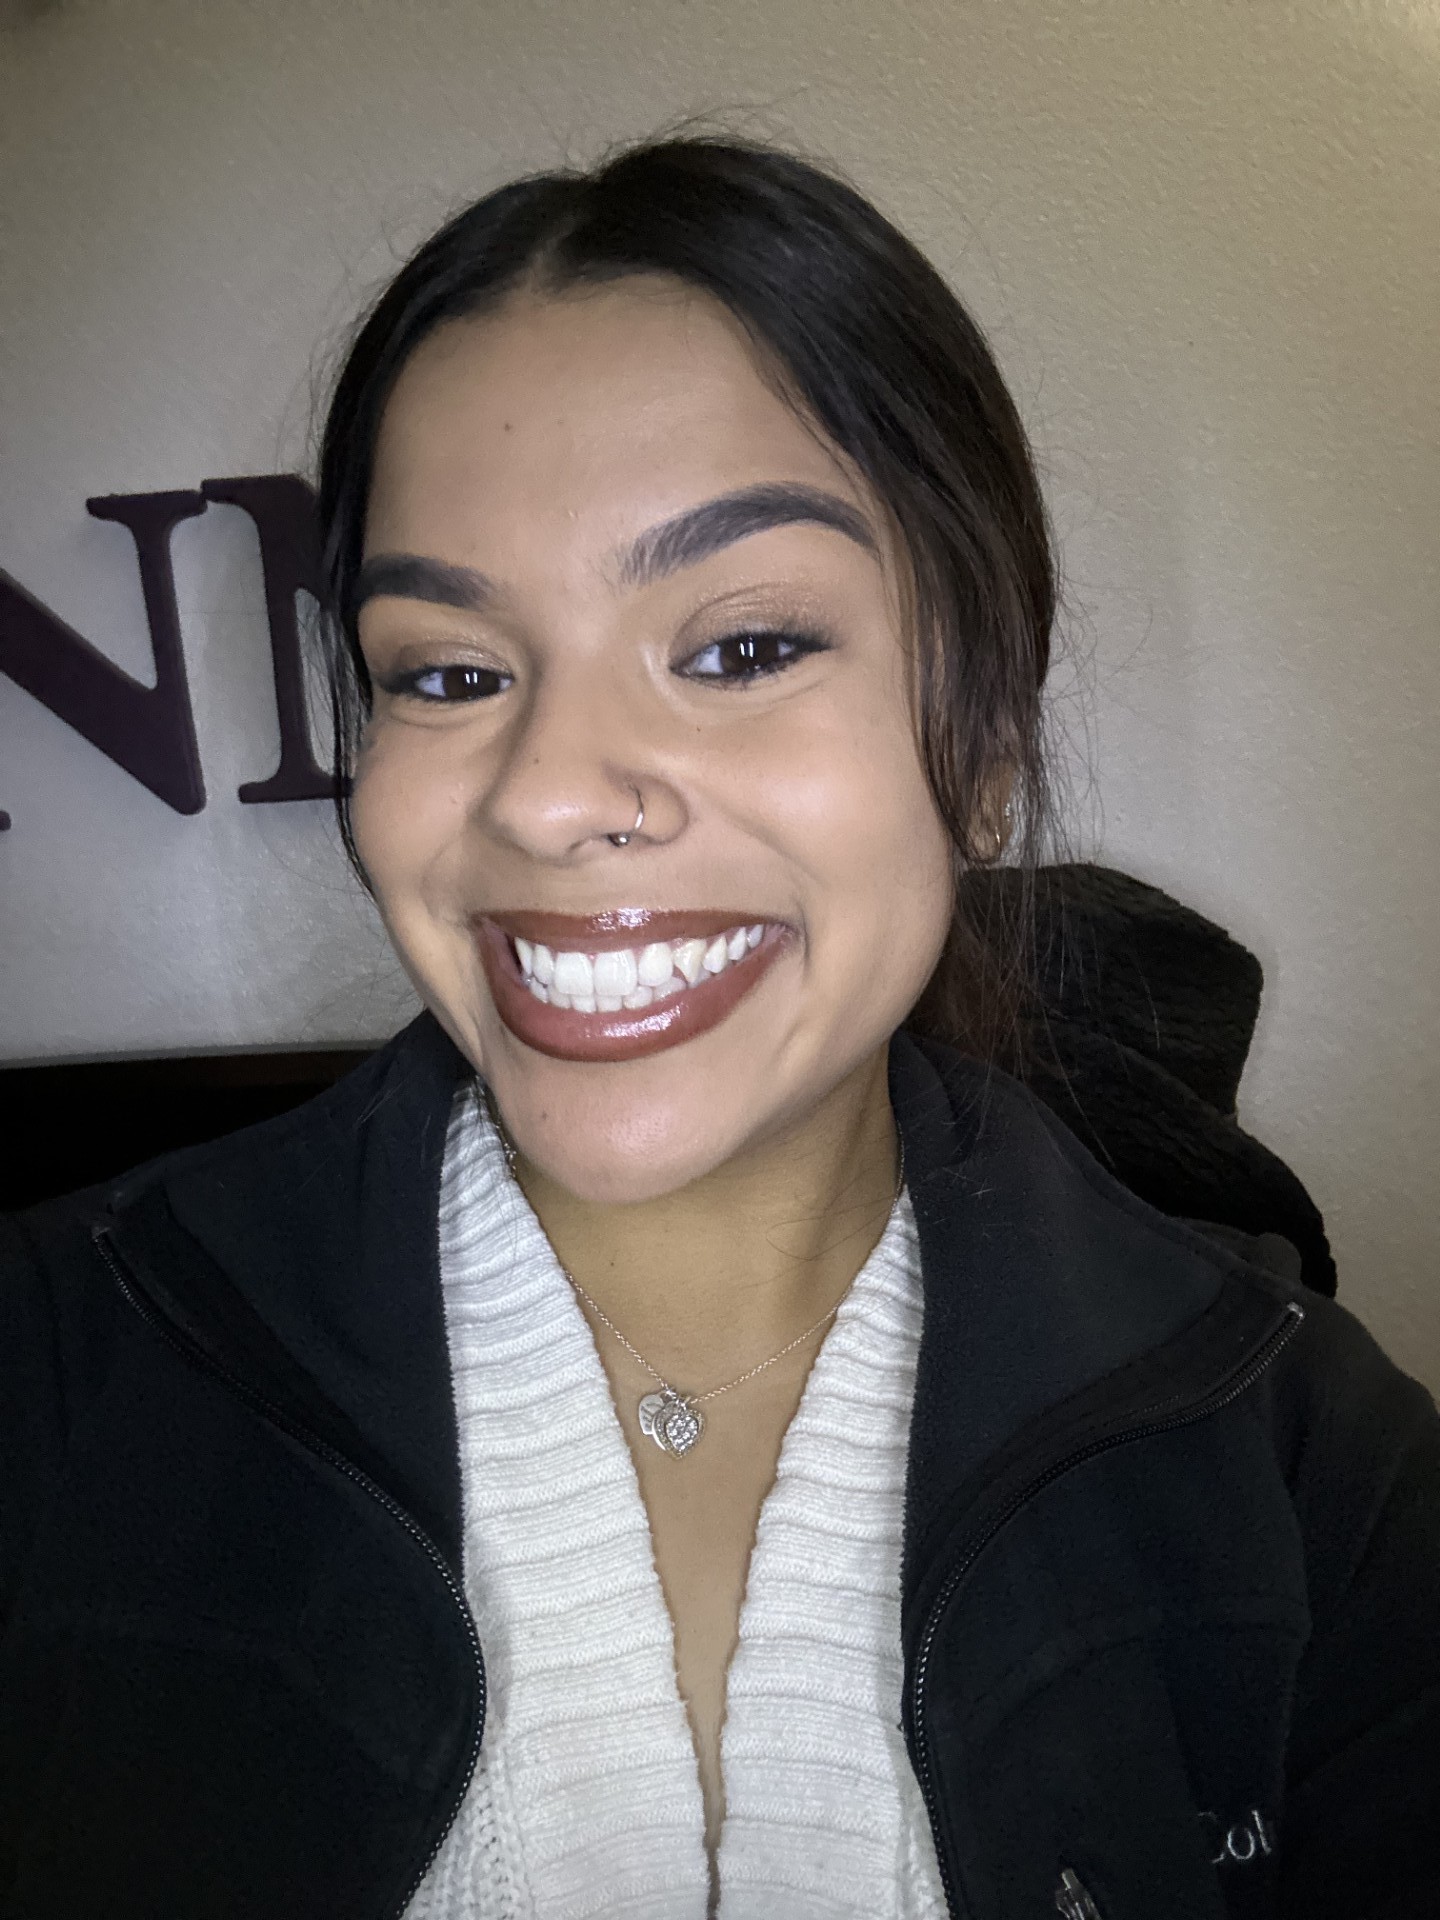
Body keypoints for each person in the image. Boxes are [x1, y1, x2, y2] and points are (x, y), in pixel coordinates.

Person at [2, 136, 1436, 1920]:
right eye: (448, 673)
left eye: (742, 648)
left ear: (987, 748)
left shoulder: (1315, 1474)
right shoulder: (53, 1377)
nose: (547, 795)